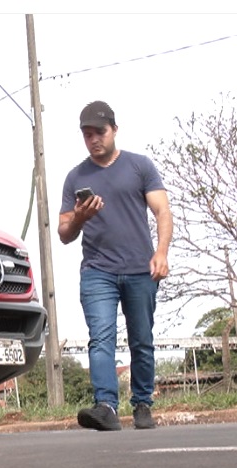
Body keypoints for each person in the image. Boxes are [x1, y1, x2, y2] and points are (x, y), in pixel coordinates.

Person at [58, 100, 172, 432]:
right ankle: (106, 406)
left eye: (99, 132)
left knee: (141, 339)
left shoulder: (140, 166)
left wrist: (161, 252)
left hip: (140, 268)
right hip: (97, 271)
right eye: (87, 134)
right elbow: (65, 232)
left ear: (114, 130)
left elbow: (162, 211)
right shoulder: (75, 177)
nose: (93, 139)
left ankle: (142, 405)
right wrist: (80, 216)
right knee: (101, 338)